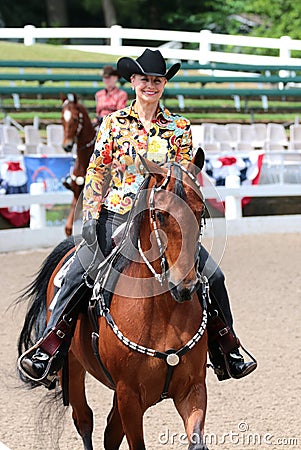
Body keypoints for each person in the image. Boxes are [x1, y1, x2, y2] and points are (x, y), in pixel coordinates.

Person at [19, 49, 257, 387]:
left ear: (164, 84)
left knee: (213, 276)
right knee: (76, 272)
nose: (150, 85)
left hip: (166, 221)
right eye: (144, 78)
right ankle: (51, 344)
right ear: (133, 81)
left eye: (157, 80)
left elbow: (186, 177)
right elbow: (98, 171)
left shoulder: (179, 128)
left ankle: (227, 348)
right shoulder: (114, 124)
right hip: (116, 215)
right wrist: (90, 216)